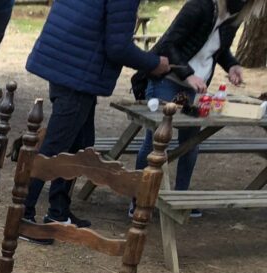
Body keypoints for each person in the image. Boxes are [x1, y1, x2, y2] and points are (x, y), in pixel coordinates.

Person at [20, 0, 170, 241]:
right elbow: (118, 47)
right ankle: (23, 217)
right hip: (77, 71)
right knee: (55, 147)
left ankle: (58, 212)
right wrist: (154, 64)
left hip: (68, 63)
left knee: (80, 143)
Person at [132, 0, 250, 219]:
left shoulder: (233, 18)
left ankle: (181, 198)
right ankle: (140, 199)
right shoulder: (199, 6)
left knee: (190, 143)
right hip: (167, 79)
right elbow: (169, 44)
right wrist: (187, 73)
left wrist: (232, 64)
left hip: (193, 86)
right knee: (156, 140)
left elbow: (218, 49)